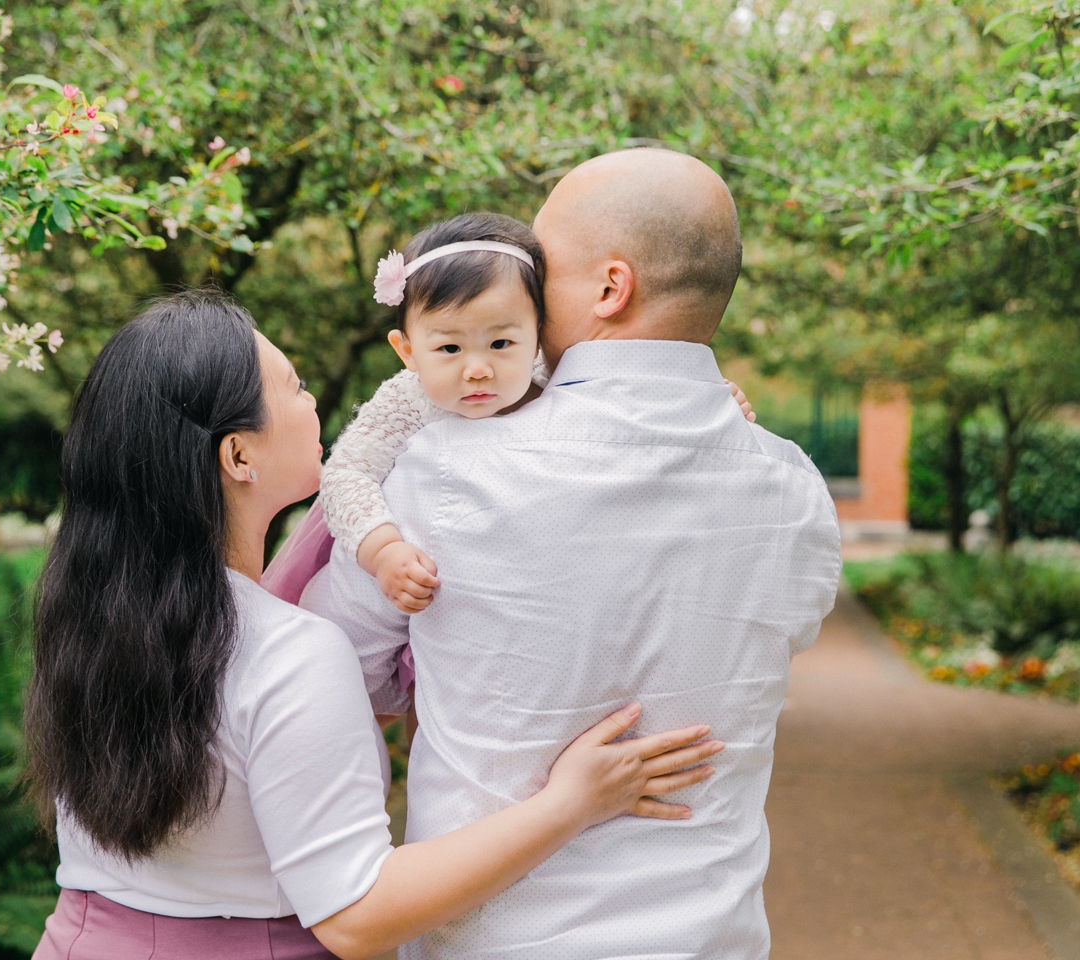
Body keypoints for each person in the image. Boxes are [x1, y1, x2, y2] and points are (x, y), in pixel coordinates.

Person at [23, 290, 726, 960]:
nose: (314, 405)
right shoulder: (286, 651)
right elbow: (356, 915)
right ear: (238, 456)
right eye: (295, 387)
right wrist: (571, 803)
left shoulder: (92, 619)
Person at [302, 149, 843, 959]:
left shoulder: (445, 469)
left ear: (610, 288)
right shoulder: (795, 489)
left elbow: (333, 666)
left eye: (539, 267)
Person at [265, 212, 755, 618]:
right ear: (407, 350)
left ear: (538, 334)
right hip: (410, 578)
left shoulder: (548, 374)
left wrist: (709, 401)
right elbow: (348, 473)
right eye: (450, 348)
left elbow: (628, 403)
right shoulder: (407, 399)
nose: (477, 369)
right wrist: (384, 551)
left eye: (501, 343)